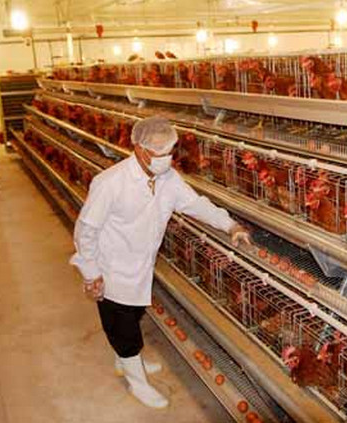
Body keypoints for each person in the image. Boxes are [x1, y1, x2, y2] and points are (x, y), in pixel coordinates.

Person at [70, 116, 250, 409]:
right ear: (141, 150)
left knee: (134, 314)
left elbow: (195, 204)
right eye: (161, 152)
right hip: (112, 269)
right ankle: (137, 382)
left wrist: (230, 225)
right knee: (122, 327)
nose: (168, 158)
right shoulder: (110, 183)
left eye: (170, 151)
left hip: (142, 265)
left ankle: (127, 361)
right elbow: (86, 231)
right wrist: (91, 273)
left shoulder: (168, 179)